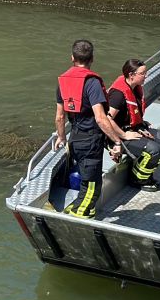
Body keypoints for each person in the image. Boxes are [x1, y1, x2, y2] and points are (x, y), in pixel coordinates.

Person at [54, 40, 127, 218]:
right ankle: (83, 212)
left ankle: (78, 205)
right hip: (90, 139)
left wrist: (61, 137)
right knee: (92, 181)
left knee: (85, 176)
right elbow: (101, 118)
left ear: (72, 58)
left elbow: (59, 117)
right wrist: (116, 141)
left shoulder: (62, 82)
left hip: (75, 138)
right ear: (92, 59)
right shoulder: (92, 83)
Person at [106, 58, 160, 191]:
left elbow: (132, 114)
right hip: (117, 136)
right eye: (142, 73)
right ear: (131, 75)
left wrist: (140, 126)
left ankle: (142, 173)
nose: (146, 76)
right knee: (153, 150)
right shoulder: (118, 95)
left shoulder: (135, 88)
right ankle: (138, 180)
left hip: (133, 128)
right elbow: (107, 119)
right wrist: (124, 135)